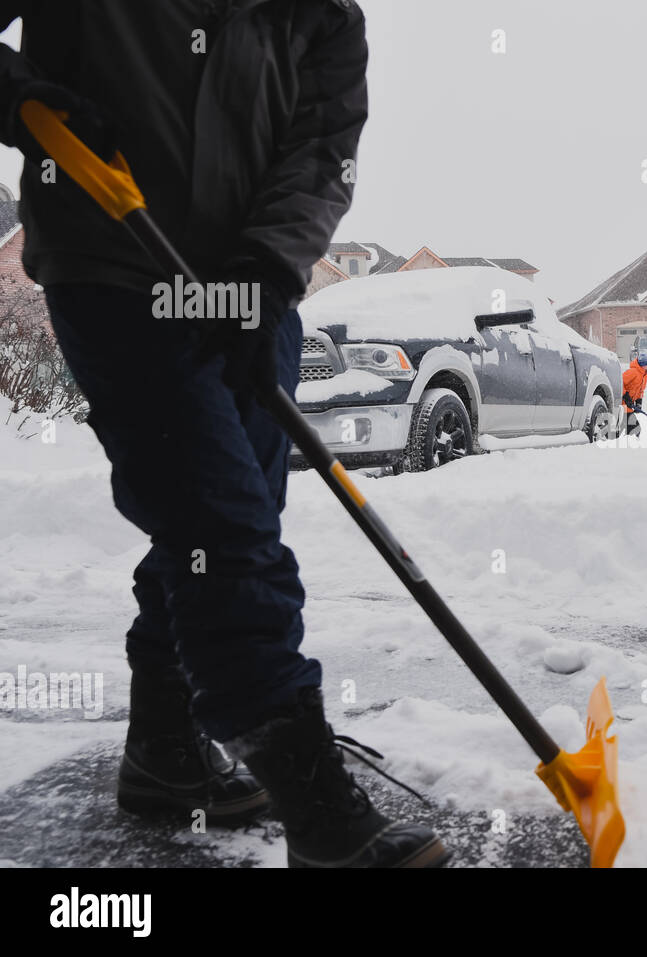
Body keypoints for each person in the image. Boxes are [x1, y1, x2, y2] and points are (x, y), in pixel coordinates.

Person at [0, 0, 448, 868]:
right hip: (115, 266)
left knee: (225, 515)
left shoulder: (323, 18)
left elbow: (323, 151)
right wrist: (16, 96)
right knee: (221, 519)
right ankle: (313, 800)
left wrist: (265, 269)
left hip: (249, 292)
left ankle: (164, 750)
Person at [622, 349, 647, 437]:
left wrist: (639, 402)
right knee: (635, 430)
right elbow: (619, 383)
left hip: (629, 405)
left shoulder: (645, 375)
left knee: (631, 430)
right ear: (642, 363)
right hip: (621, 404)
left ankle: (627, 444)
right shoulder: (633, 372)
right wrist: (625, 395)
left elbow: (641, 390)